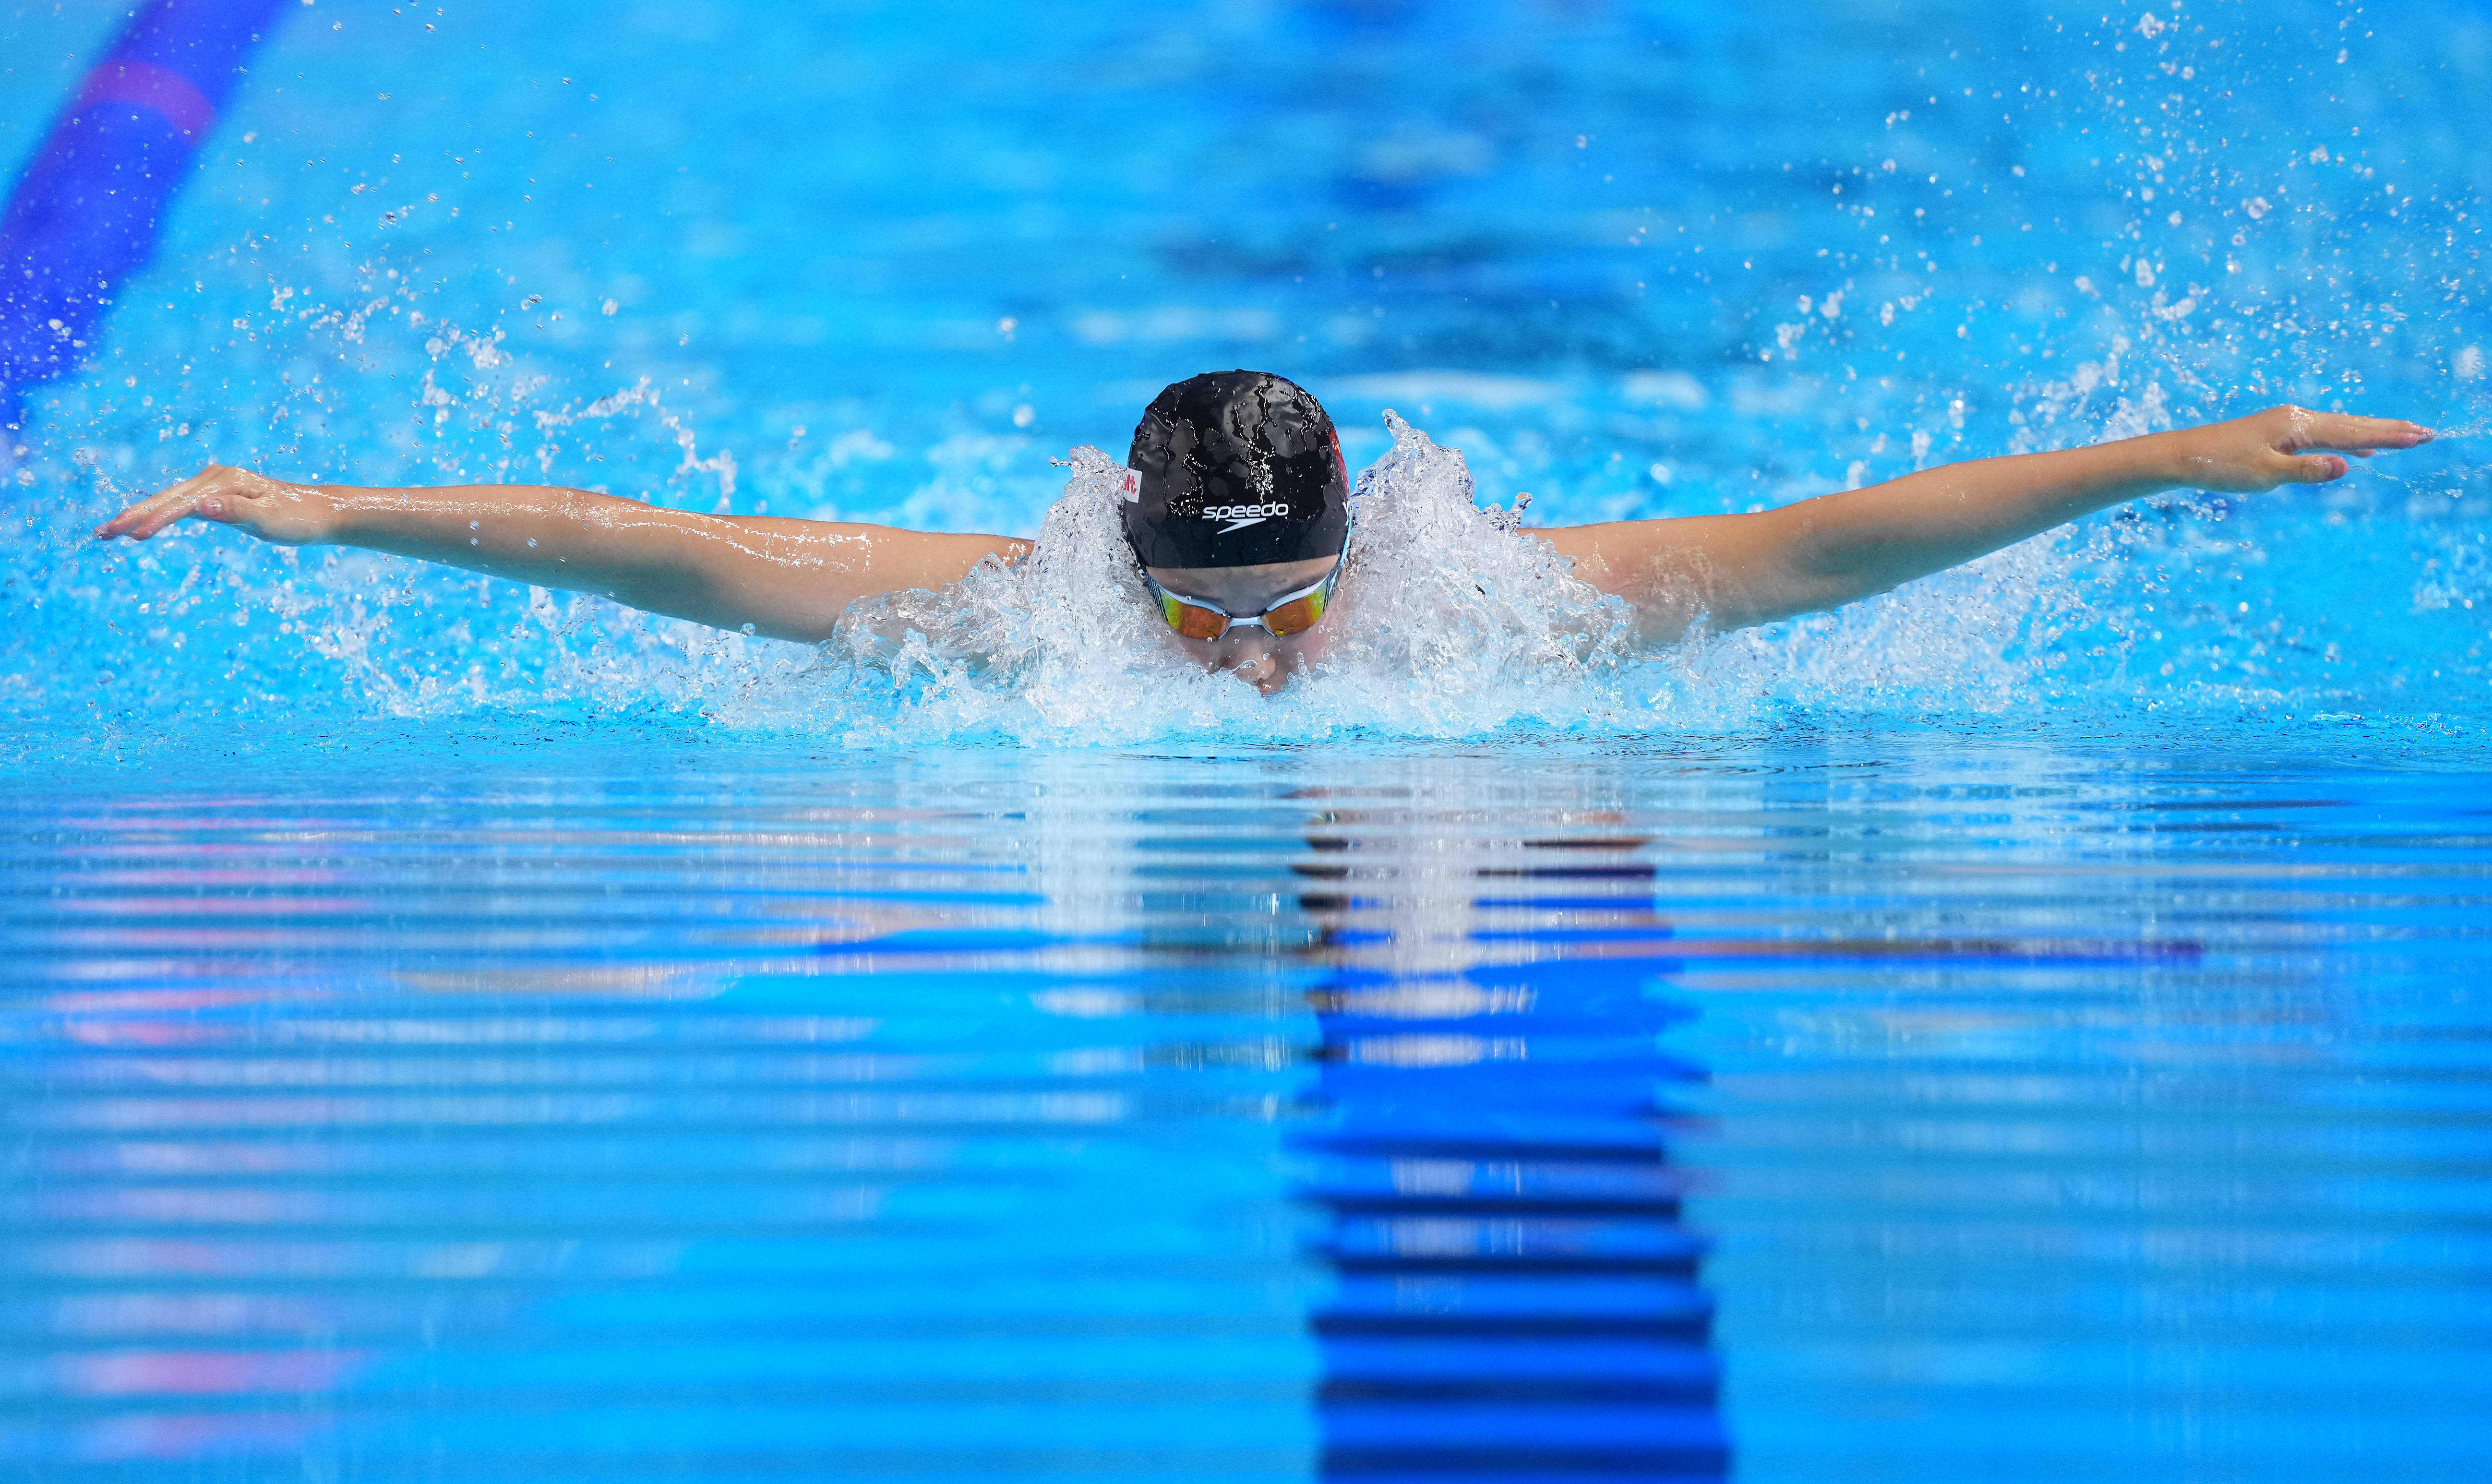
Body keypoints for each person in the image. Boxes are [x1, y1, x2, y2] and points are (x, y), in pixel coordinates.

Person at [95, 368, 2430, 694]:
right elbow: (648, 546)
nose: (1244, 655)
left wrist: (2148, 454)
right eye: (1192, 609)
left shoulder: (1482, 609)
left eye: (1284, 600)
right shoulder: (1027, 617)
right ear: (1115, 549)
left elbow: (1826, 543)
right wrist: (323, 510)